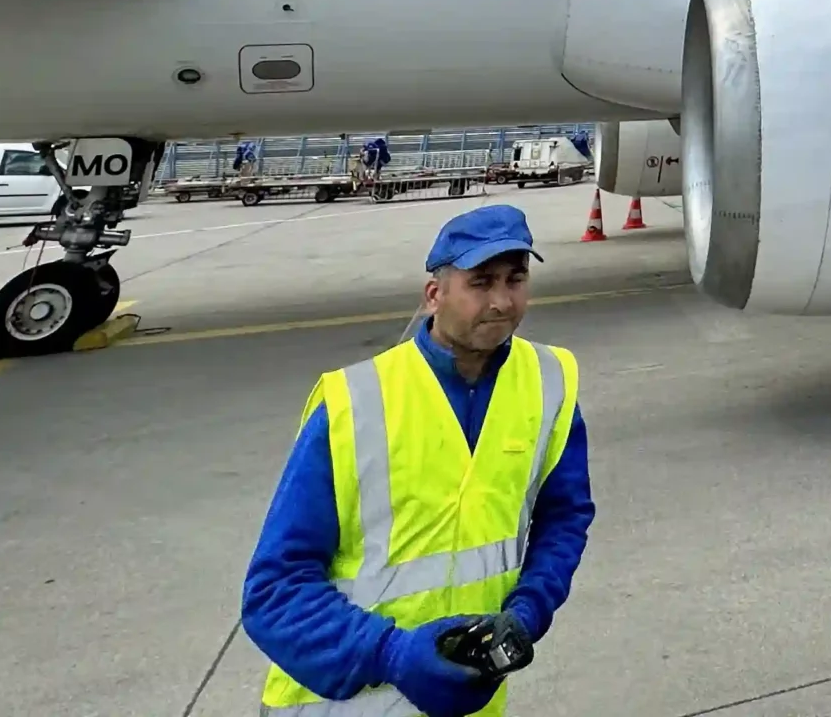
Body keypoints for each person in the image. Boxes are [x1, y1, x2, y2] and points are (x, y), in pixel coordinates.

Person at [245, 205, 592, 715]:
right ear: (435, 296)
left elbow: (564, 515)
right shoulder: (355, 402)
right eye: (480, 282)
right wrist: (392, 653)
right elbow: (274, 590)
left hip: (469, 697)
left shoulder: (549, 381)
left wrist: (527, 609)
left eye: (515, 279)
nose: (501, 301)